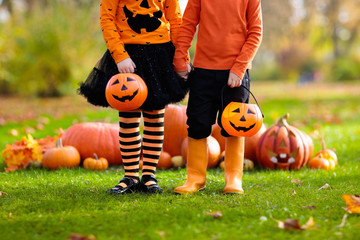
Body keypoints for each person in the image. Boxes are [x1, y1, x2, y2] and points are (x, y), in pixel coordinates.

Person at [79, 0, 188, 194]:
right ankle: (130, 176)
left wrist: (181, 59)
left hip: (160, 55)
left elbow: (176, 20)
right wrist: (120, 56)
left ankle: (149, 176)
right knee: (128, 117)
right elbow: (107, 19)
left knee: (155, 117)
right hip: (127, 55)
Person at [173, 0, 263, 194]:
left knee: (235, 125)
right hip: (203, 71)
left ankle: (233, 178)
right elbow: (188, 24)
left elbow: (255, 33)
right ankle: (195, 178)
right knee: (197, 123)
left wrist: (239, 69)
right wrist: (180, 58)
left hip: (235, 74)